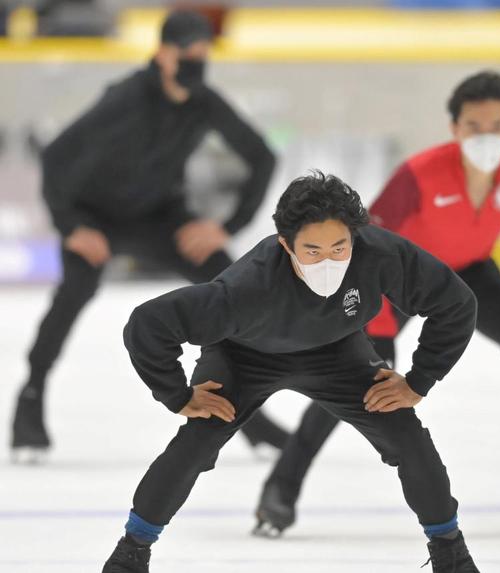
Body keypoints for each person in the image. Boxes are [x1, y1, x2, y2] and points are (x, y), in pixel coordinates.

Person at [254, 71, 500, 535]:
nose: (486, 136)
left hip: (471, 273)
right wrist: (383, 319)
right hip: (400, 280)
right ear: (455, 129)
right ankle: (280, 490)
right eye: (474, 126)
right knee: (355, 381)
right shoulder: (420, 173)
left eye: (497, 126)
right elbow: (367, 240)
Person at [102, 172, 480, 573]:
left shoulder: (379, 253)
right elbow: (148, 324)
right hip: (243, 355)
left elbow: (456, 304)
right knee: (198, 440)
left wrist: (419, 381)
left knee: (406, 434)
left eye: (340, 247)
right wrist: (177, 395)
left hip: (337, 351)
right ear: (286, 245)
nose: (329, 261)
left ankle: (450, 553)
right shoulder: (245, 291)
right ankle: (132, 552)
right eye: (312, 252)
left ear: (355, 237)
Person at [10, 9, 288, 461]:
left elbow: (261, 156)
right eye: (188, 54)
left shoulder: (204, 102)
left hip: (161, 218)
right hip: (97, 218)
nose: (196, 63)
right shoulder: (125, 98)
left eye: (203, 54)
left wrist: (224, 226)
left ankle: (245, 414)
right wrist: (72, 225)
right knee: (74, 292)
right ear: (162, 54)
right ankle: (30, 401)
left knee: (231, 282)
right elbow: (57, 156)